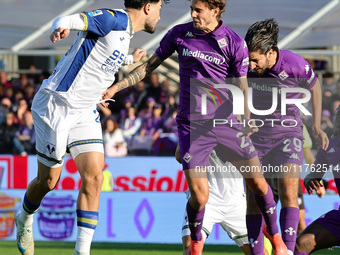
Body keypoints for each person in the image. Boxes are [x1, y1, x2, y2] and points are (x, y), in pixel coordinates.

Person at [102, 1, 286, 254]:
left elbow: (242, 85)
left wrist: (247, 117)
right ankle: (197, 240)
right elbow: (149, 65)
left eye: (198, 10)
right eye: (192, 8)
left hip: (227, 124)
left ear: (215, 10)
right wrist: (117, 86)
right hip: (193, 126)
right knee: (199, 197)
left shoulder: (234, 42)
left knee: (260, 185)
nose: (193, 14)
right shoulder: (179, 34)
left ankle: (276, 238)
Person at [15, 1, 166, 255]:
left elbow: (102, 58)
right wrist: (60, 26)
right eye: (161, 6)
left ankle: (82, 252)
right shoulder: (112, 19)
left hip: (84, 110)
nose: (162, 14)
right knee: (49, 181)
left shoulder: (124, 34)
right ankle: (25, 217)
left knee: (95, 177)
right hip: (57, 105)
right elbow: (68, 20)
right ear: (148, 7)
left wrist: (129, 59)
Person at [244, 18, 329, 255]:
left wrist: (316, 125)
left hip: (287, 136)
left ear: (271, 53)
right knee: (254, 198)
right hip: (256, 138)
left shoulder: (294, 63)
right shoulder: (244, 64)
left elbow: (315, 86)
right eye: (249, 59)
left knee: (290, 190)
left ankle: (287, 251)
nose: (251, 65)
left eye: (256, 59)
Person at [176, 146, 251, 255]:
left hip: (236, 201)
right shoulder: (195, 128)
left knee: (258, 252)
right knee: (191, 250)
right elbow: (180, 156)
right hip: (206, 200)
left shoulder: (240, 129)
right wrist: (191, 152)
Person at [294, 106, 340, 254]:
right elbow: (314, 174)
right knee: (301, 244)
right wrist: (310, 180)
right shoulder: (328, 146)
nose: (339, 122)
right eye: (337, 118)